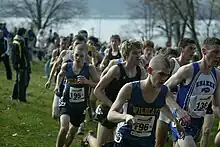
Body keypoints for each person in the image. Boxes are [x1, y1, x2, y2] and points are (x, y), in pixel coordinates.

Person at [107, 55, 189, 147]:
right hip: (126, 138)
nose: (164, 79)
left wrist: (175, 121)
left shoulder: (164, 91)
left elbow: (162, 106)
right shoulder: (130, 88)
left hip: (146, 140)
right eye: (161, 74)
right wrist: (125, 117)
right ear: (149, 70)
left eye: (167, 75)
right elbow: (111, 115)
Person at [84, 40, 147, 147]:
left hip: (125, 114)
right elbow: (97, 90)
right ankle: (89, 138)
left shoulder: (141, 72)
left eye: (140, 52)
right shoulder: (116, 69)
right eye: (135, 53)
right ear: (126, 54)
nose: (139, 56)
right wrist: (113, 106)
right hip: (108, 110)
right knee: (101, 145)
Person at [165, 37, 220, 147]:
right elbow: (162, 90)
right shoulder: (188, 70)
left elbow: (216, 106)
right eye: (215, 52)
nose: (218, 56)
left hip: (198, 121)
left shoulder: (217, 74)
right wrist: (178, 110)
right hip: (181, 121)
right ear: (204, 51)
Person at [55, 44, 99, 147]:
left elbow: (100, 84)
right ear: (73, 55)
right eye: (76, 55)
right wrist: (57, 85)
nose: (78, 58)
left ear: (86, 56)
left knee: (72, 132)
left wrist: (87, 82)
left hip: (80, 106)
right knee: (64, 128)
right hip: (66, 102)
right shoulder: (67, 65)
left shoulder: (90, 68)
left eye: (81, 56)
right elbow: (60, 75)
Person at [156, 38, 196, 147]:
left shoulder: (192, 68)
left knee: (177, 142)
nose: (193, 52)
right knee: (160, 143)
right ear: (182, 49)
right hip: (166, 107)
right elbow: (160, 84)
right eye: (190, 48)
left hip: (180, 109)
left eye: (194, 49)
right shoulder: (172, 63)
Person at [11, 28, 30, 102]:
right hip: (21, 64)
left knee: (18, 80)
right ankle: (21, 98)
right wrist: (21, 64)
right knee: (22, 82)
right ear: (23, 33)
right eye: (25, 33)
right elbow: (20, 55)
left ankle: (14, 96)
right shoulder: (20, 42)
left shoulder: (16, 40)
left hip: (18, 64)